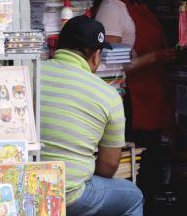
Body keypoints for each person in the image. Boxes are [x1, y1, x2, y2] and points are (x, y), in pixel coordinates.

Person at [40, 16, 142, 216]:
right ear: (95, 56)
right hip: (68, 195)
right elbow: (109, 166)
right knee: (133, 196)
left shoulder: (28, 73)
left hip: (22, 186)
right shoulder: (108, 95)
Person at [93, 0, 175, 194]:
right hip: (130, 98)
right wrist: (155, 57)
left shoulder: (134, 5)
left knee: (149, 154)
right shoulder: (111, 11)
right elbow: (109, 65)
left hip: (150, 95)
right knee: (136, 159)